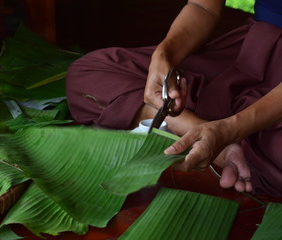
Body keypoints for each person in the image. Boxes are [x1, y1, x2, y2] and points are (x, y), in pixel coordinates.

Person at [66, 0, 282, 198]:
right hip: (254, 48)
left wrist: (230, 129)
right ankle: (199, 133)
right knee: (89, 73)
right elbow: (202, 6)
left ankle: (216, 135)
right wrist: (163, 57)